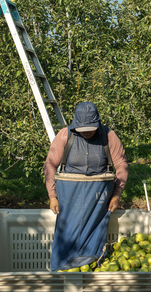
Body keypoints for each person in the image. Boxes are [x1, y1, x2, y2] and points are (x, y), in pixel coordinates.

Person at [44, 101, 128, 271]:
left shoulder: (108, 136)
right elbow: (50, 164)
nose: (87, 133)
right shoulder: (65, 136)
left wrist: (117, 195)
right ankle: (62, 268)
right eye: (83, 130)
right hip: (70, 195)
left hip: (98, 196)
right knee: (66, 233)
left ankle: (90, 264)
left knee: (95, 233)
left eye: (91, 129)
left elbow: (121, 165)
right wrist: (52, 196)